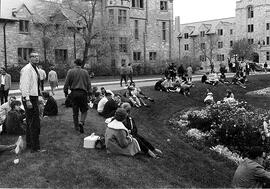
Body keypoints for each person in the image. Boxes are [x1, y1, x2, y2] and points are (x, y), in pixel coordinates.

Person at [20, 51, 43, 153]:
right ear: (29, 58)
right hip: (29, 99)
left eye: (37, 56)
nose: (36, 58)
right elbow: (24, 86)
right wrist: (27, 100)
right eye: (34, 57)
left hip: (34, 97)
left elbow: (35, 84)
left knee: (31, 122)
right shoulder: (27, 69)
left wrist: (39, 94)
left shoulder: (35, 68)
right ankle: (35, 148)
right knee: (34, 123)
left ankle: (30, 144)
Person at [64, 59, 92, 134]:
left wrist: (66, 92)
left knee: (75, 111)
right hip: (83, 93)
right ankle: (81, 122)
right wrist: (90, 93)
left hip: (74, 93)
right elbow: (89, 84)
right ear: (81, 64)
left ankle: (76, 126)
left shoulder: (70, 71)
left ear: (75, 63)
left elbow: (66, 83)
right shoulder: (85, 72)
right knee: (84, 110)